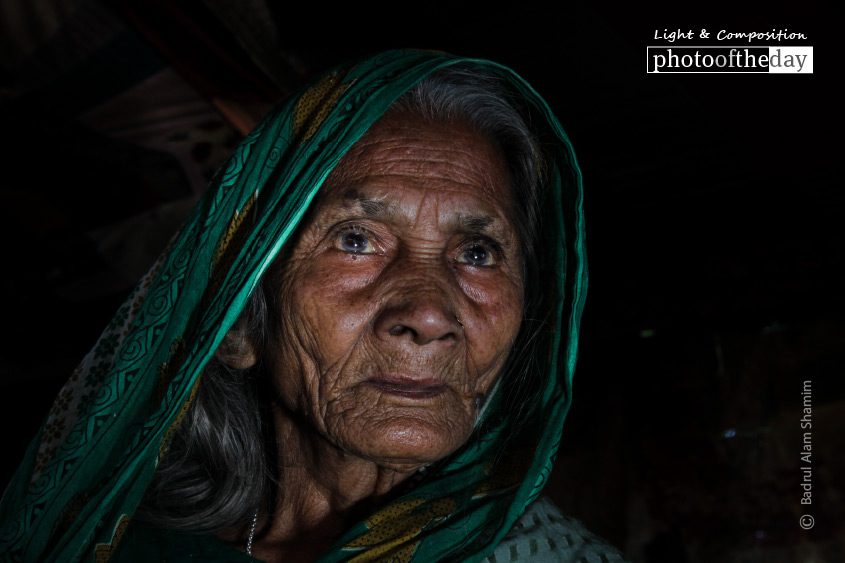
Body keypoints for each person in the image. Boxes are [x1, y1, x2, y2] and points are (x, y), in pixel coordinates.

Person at [0, 50, 624, 562]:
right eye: (355, 241)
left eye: (480, 253)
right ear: (242, 323)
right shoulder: (116, 551)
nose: (431, 315)